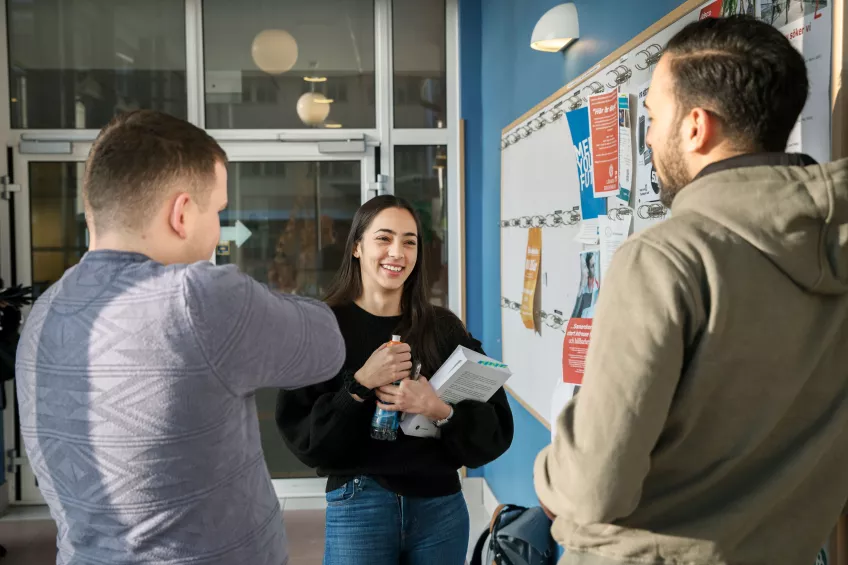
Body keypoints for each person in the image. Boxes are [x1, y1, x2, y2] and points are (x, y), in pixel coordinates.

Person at [535, 15, 848, 565]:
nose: (650, 136)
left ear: (696, 126)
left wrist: (550, 469)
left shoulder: (665, 259)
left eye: (654, 117)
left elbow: (591, 489)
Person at [15, 110, 345, 565]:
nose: (217, 231)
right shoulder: (197, 297)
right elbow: (327, 346)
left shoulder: (44, 314)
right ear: (183, 213)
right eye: (218, 212)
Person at [276, 195, 514, 565]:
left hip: (441, 507)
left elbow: (496, 429)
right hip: (359, 504)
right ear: (357, 247)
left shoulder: (443, 329)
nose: (397, 252)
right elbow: (307, 441)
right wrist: (359, 385)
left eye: (409, 241)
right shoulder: (322, 327)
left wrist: (438, 409)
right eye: (383, 238)